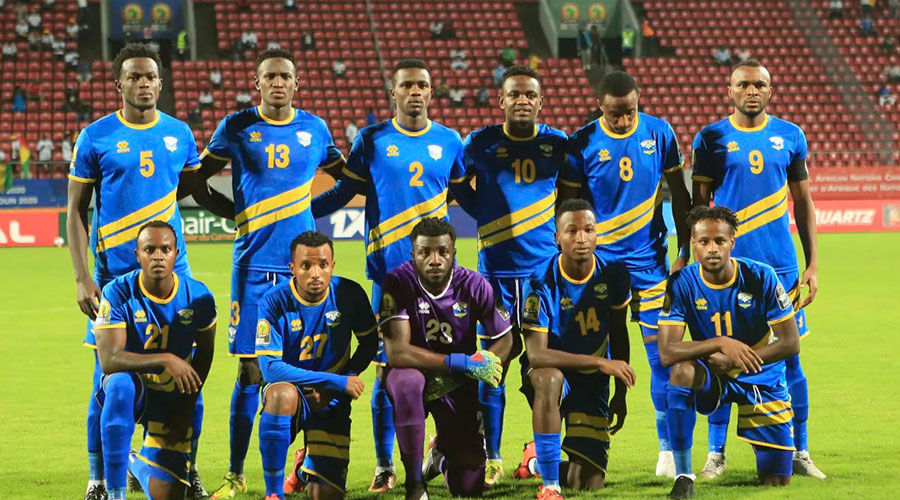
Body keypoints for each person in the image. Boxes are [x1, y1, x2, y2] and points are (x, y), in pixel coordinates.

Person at [185, 47, 346, 500]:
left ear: (297, 83)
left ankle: (307, 458)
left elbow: (347, 180)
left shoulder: (315, 129)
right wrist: (234, 214)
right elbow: (197, 180)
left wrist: (313, 212)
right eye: (270, 76)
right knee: (251, 372)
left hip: (305, 268)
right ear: (257, 83)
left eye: (286, 76)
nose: (278, 83)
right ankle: (236, 474)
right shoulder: (235, 127)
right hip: (253, 267)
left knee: (311, 365)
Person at [310, 59, 472, 494]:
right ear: (393, 93)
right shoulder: (372, 139)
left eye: (422, 84)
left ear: (432, 92)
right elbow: (345, 192)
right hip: (389, 276)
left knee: (443, 368)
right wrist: (299, 213)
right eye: (407, 86)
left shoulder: (449, 141)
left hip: (440, 279)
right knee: (387, 371)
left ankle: (444, 449)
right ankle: (386, 464)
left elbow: (465, 197)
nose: (415, 92)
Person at [65, 43, 208, 500]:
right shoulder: (95, 136)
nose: (143, 83)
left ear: (161, 83)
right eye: (134, 76)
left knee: (185, 375)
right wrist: (82, 277)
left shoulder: (180, 133)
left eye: (150, 76)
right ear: (119, 84)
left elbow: (192, 189)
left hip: (173, 278)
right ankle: (99, 477)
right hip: (115, 279)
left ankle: (180, 463)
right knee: (108, 381)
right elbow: (75, 211)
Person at [691, 59, 823, 480]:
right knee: (720, 357)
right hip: (725, 273)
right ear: (729, 91)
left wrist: (812, 264)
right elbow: (698, 210)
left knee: (791, 362)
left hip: (782, 269)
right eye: (744, 84)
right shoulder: (710, 138)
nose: (752, 90)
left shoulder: (791, 136)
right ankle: (716, 453)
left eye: (760, 84)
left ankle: (800, 451)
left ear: (770, 90)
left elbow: (803, 203)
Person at [558, 70, 691, 478]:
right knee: (584, 358)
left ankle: (667, 451)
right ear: (601, 106)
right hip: (596, 268)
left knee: (661, 358)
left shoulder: (660, 132)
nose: (623, 120)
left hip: (650, 265)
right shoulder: (581, 142)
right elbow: (567, 207)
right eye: (615, 114)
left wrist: (684, 253)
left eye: (630, 111)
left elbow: (680, 195)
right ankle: (575, 449)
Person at [456, 65, 568, 485]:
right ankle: (493, 455)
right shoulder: (479, 143)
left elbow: (573, 195)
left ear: (541, 101)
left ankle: (546, 450)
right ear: (500, 100)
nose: (523, 100)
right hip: (496, 274)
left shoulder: (558, 144)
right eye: (515, 94)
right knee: (493, 364)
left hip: (543, 276)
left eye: (530, 95)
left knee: (547, 369)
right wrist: (484, 214)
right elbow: (456, 186)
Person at [658, 206, 801, 499]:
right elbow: (667, 351)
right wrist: (720, 343)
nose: (712, 249)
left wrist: (740, 356)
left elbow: (790, 343)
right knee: (681, 371)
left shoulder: (762, 276)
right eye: (704, 242)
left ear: (732, 242)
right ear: (693, 244)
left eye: (720, 241)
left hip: (760, 374)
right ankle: (684, 476)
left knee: (776, 480)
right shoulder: (681, 283)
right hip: (713, 373)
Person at [380, 217, 512, 500]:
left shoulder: (475, 284)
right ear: (413, 255)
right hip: (411, 372)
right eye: (425, 252)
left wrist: (486, 361)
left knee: (468, 487)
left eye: (442, 251)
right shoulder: (397, 282)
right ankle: (415, 484)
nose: (435, 259)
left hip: (457, 382)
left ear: (454, 254)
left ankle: (438, 455)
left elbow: (506, 338)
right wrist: (459, 363)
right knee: (408, 383)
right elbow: (397, 352)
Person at [515, 199, 636, 500]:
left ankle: (535, 460)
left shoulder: (614, 274)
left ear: (597, 233)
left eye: (588, 230)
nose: (581, 238)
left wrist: (619, 394)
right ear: (557, 237)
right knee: (549, 378)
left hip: (593, 382)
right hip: (548, 373)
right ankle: (550, 486)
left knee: (588, 481)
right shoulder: (539, 281)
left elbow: (619, 333)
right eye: (571, 231)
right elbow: (537, 355)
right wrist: (599, 363)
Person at [93, 221, 217, 500]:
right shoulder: (117, 292)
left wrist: (188, 400)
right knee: (119, 386)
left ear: (176, 253)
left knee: (169, 495)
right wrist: (165, 359)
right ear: (138, 255)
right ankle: (115, 494)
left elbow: (206, 353)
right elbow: (109, 360)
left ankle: (138, 464)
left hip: (172, 394)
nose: (158, 256)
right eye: (150, 249)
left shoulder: (199, 296)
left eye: (165, 249)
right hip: (134, 391)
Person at [255, 231, 378, 500]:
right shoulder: (273, 301)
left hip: (333, 401)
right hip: (296, 393)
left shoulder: (349, 294)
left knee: (325, 496)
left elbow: (369, 343)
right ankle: (274, 493)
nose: (315, 273)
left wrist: (344, 381)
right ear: (292, 269)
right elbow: (269, 368)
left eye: (323, 265)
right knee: (279, 394)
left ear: (332, 265)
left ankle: (302, 470)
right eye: (306, 265)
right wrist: (336, 383)